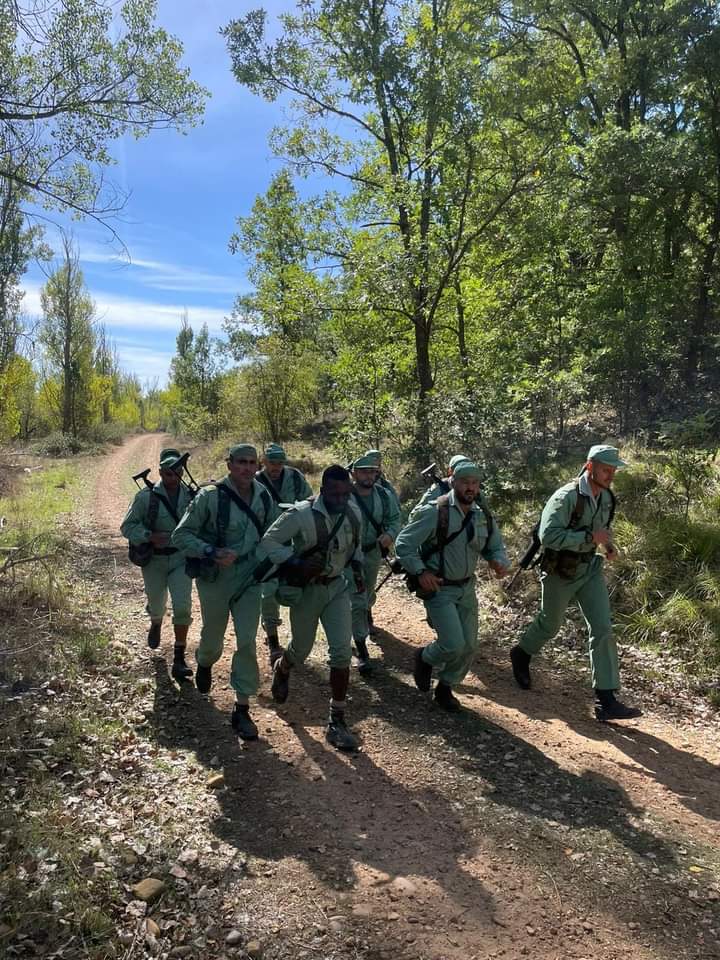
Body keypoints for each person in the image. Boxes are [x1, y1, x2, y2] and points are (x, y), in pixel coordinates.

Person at [510, 444, 642, 722]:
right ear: (590, 466)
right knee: (550, 624)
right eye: (606, 469)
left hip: (590, 569)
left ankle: (607, 698)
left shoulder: (606, 497)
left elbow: (601, 530)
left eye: (614, 470)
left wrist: (608, 547)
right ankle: (521, 653)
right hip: (560, 571)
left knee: (603, 627)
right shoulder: (566, 496)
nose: (611, 475)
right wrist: (588, 540)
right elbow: (548, 536)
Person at [171, 444, 276, 740]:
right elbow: (181, 535)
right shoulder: (210, 496)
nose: (246, 468)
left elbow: (272, 535)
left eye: (251, 462)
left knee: (246, 641)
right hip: (215, 578)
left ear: (258, 466)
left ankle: (241, 709)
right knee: (213, 640)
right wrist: (210, 550)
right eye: (240, 462)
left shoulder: (263, 496)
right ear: (229, 465)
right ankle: (204, 662)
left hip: (249, 579)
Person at [255, 464, 363, 752]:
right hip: (307, 590)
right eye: (334, 493)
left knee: (341, 651)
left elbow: (355, 546)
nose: (340, 499)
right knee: (301, 649)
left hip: (337, 588)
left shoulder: (353, 511)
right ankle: (283, 667)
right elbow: (268, 542)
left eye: (345, 493)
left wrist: (359, 570)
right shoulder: (301, 514)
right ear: (323, 489)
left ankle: (337, 720)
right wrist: (294, 561)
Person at [395, 461, 510, 711]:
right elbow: (403, 544)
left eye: (474, 483)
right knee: (453, 644)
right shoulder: (435, 511)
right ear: (453, 481)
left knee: (469, 646)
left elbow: (495, 546)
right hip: (439, 588)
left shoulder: (482, 515)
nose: (470, 488)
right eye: (465, 482)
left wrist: (499, 561)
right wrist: (420, 571)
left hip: (467, 588)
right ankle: (423, 658)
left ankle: (446, 686)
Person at [120, 448, 194, 682]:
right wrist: (148, 536)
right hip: (154, 560)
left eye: (176, 471)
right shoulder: (146, 498)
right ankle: (155, 623)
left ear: (182, 471)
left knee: (182, 606)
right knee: (157, 603)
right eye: (167, 472)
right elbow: (127, 527)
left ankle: (179, 657)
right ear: (161, 472)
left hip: (181, 559)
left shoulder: (192, 496)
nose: (171, 476)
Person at [255, 443, 313, 666]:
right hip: (267, 543)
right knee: (268, 592)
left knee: (298, 589)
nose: (276, 467)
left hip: (294, 543)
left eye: (280, 462)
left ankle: (299, 641)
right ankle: (273, 641)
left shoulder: (295, 477)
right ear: (264, 461)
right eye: (272, 462)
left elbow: (309, 500)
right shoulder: (256, 481)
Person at [347, 452, 401, 674]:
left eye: (372, 471)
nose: (369, 475)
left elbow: (395, 518)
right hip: (347, 556)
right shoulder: (343, 495)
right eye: (364, 471)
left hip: (371, 554)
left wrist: (389, 534)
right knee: (357, 599)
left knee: (367, 594)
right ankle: (361, 648)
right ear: (354, 473)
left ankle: (360, 621)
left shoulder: (384, 495)